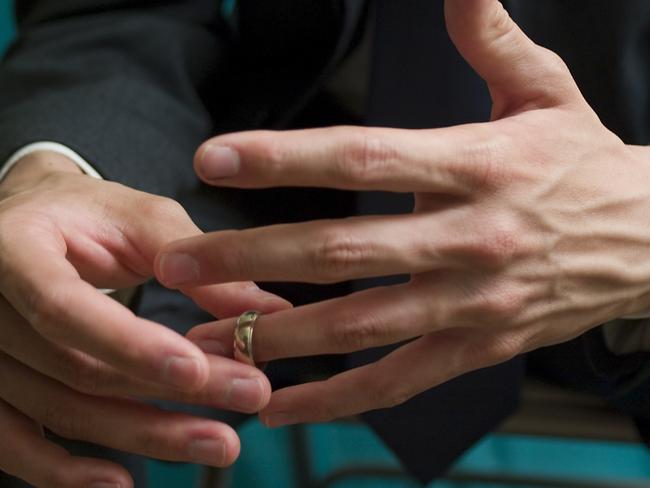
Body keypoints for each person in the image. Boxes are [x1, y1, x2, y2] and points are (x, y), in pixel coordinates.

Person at [1, 0, 650, 486]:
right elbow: (125, 13)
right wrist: (58, 169)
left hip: (625, 250)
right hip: (272, 164)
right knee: (39, 331)